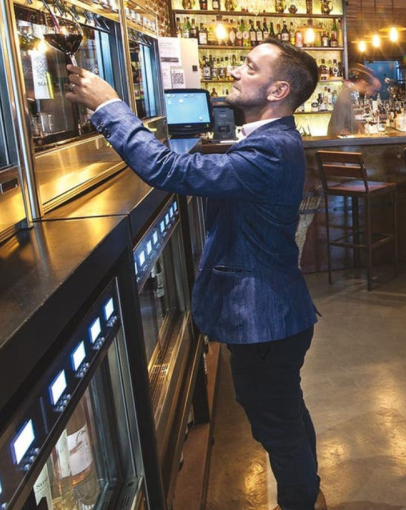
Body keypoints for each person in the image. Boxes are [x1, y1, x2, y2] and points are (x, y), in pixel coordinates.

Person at [65, 38, 327, 510]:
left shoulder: (270, 150)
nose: (235, 72)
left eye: (249, 67)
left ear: (277, 90)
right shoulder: (268, 141)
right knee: (284, 413)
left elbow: (169, 169)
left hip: (266, 319)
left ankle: (302, 501)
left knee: (277, 423)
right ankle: (308, 491)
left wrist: (110, 108)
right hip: (275, 317)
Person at [326, 64, 380, 136]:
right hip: (339, 144)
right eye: (373, 90)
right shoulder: (344, 97)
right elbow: (338, 130)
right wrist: (358, 138)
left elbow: (355, 120)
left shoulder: (355, 97)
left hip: (349, 142)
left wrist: (364, 133)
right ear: (363, 83)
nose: (373, 94)